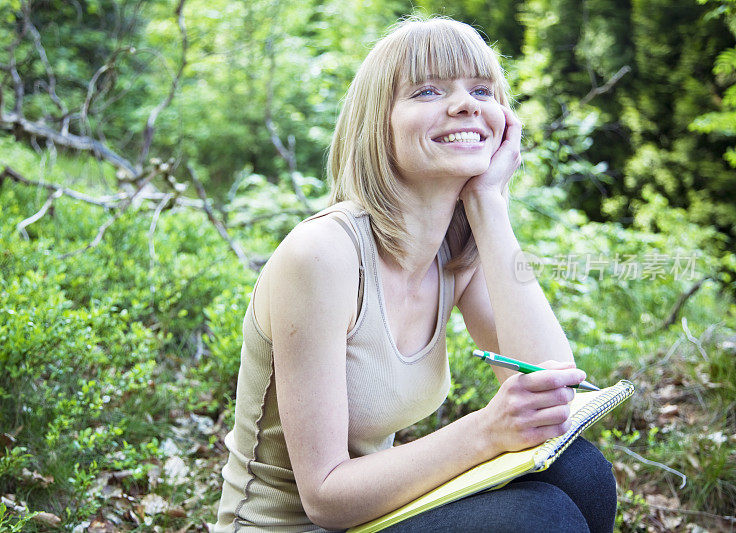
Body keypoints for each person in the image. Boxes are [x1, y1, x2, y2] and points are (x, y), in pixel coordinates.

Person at [213, 16, 617, 533]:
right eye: (427, 90)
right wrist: (486, 431)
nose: (466, 104)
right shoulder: (323, 255)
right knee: (539, 516)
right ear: (377, 123)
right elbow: (326, 497)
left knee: (580, 470)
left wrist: (488, 204)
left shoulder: (453, 254)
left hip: (373, 520)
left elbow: (549, 384)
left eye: (482, 90)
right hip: (293, 528)